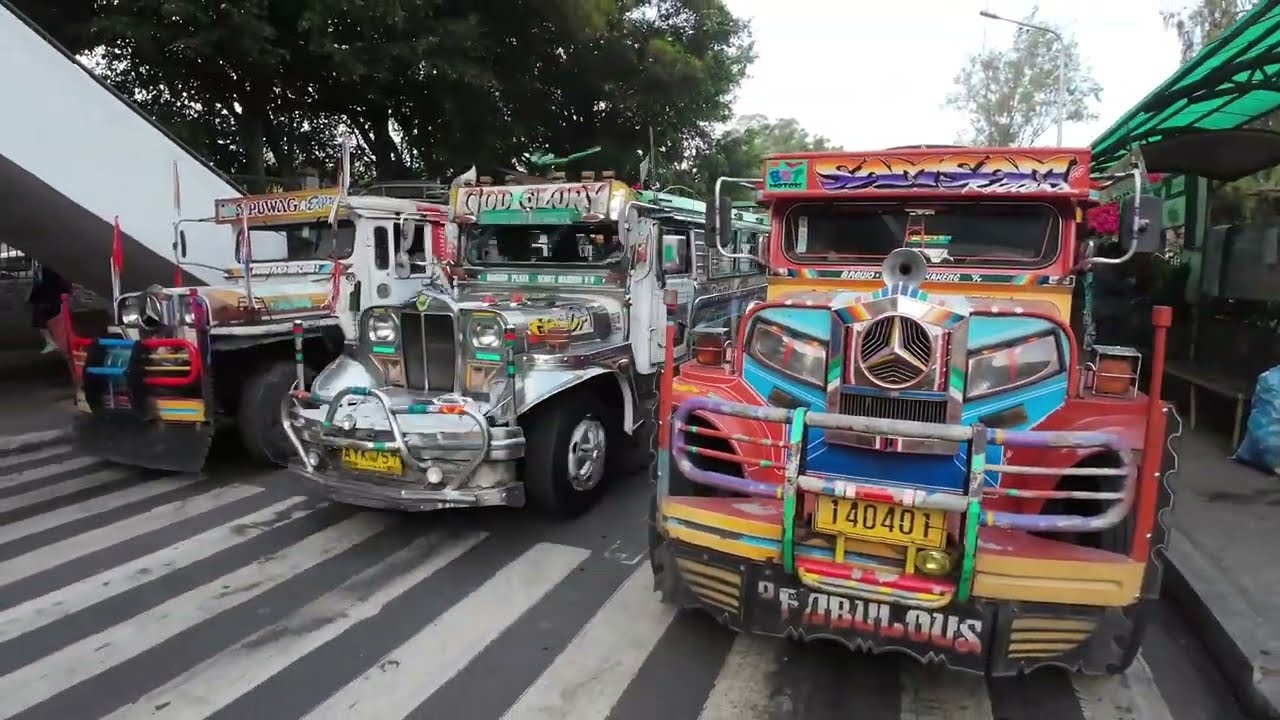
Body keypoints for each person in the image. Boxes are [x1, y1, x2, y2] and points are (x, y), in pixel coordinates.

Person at [28, 263, 71, 354]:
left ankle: (51, 342)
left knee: (41, 324)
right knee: (54, 323)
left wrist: (33, 298)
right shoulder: (59, 272)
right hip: (55, 300)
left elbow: (39, 286)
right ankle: (56, 343)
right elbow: (66, 287)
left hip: (44, 301)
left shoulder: (45, 272)